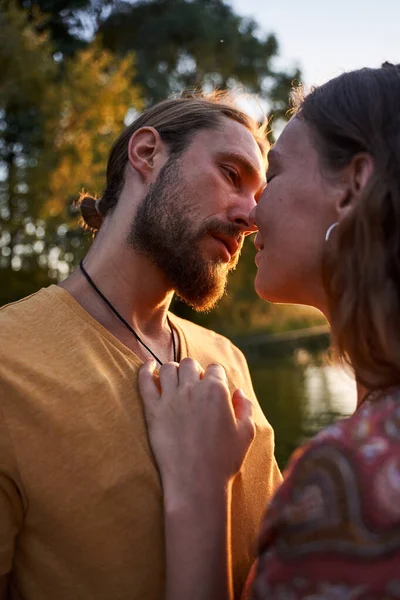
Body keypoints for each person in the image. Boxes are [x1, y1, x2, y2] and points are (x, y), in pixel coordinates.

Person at [0, 93, 282, 600]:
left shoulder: (229, 361)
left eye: (259, 197)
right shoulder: (8, 359)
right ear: (148, 153)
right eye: (231, 174)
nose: (251, 216)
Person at [138, 63, 400, 600]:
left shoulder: (348, 480)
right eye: (233, 176)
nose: (250, 215)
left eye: (272, 176)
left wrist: (199, 492)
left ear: (353, 188)